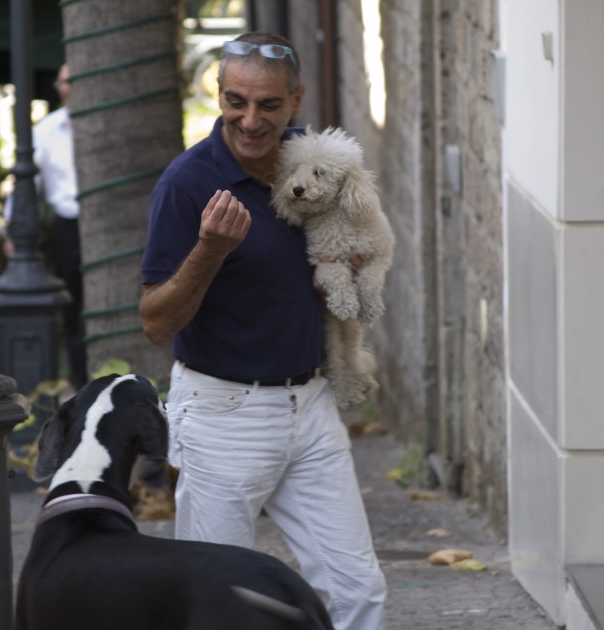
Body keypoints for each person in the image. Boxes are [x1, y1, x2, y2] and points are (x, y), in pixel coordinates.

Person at [139, 32, 387, 630]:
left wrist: (353, 261)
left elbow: (357, 236)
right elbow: (156, 321)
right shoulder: (188, 183)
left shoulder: (314, 162)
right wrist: (210, 249)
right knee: (219, 600)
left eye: (268, 105)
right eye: (236, 101)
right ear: (219, 95)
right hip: (224, 413)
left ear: (296, 100)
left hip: (311, 403)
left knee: (358, 590)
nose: (250, 120)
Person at [33, 63, 89, 390]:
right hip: (66, 227)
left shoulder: (101, 125)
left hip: (103, 223)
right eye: (63, 81)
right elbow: (30, 180)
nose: (68, 87)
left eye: (73, 80)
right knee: (72, 307)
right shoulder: (46, 130)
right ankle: (80, 380)